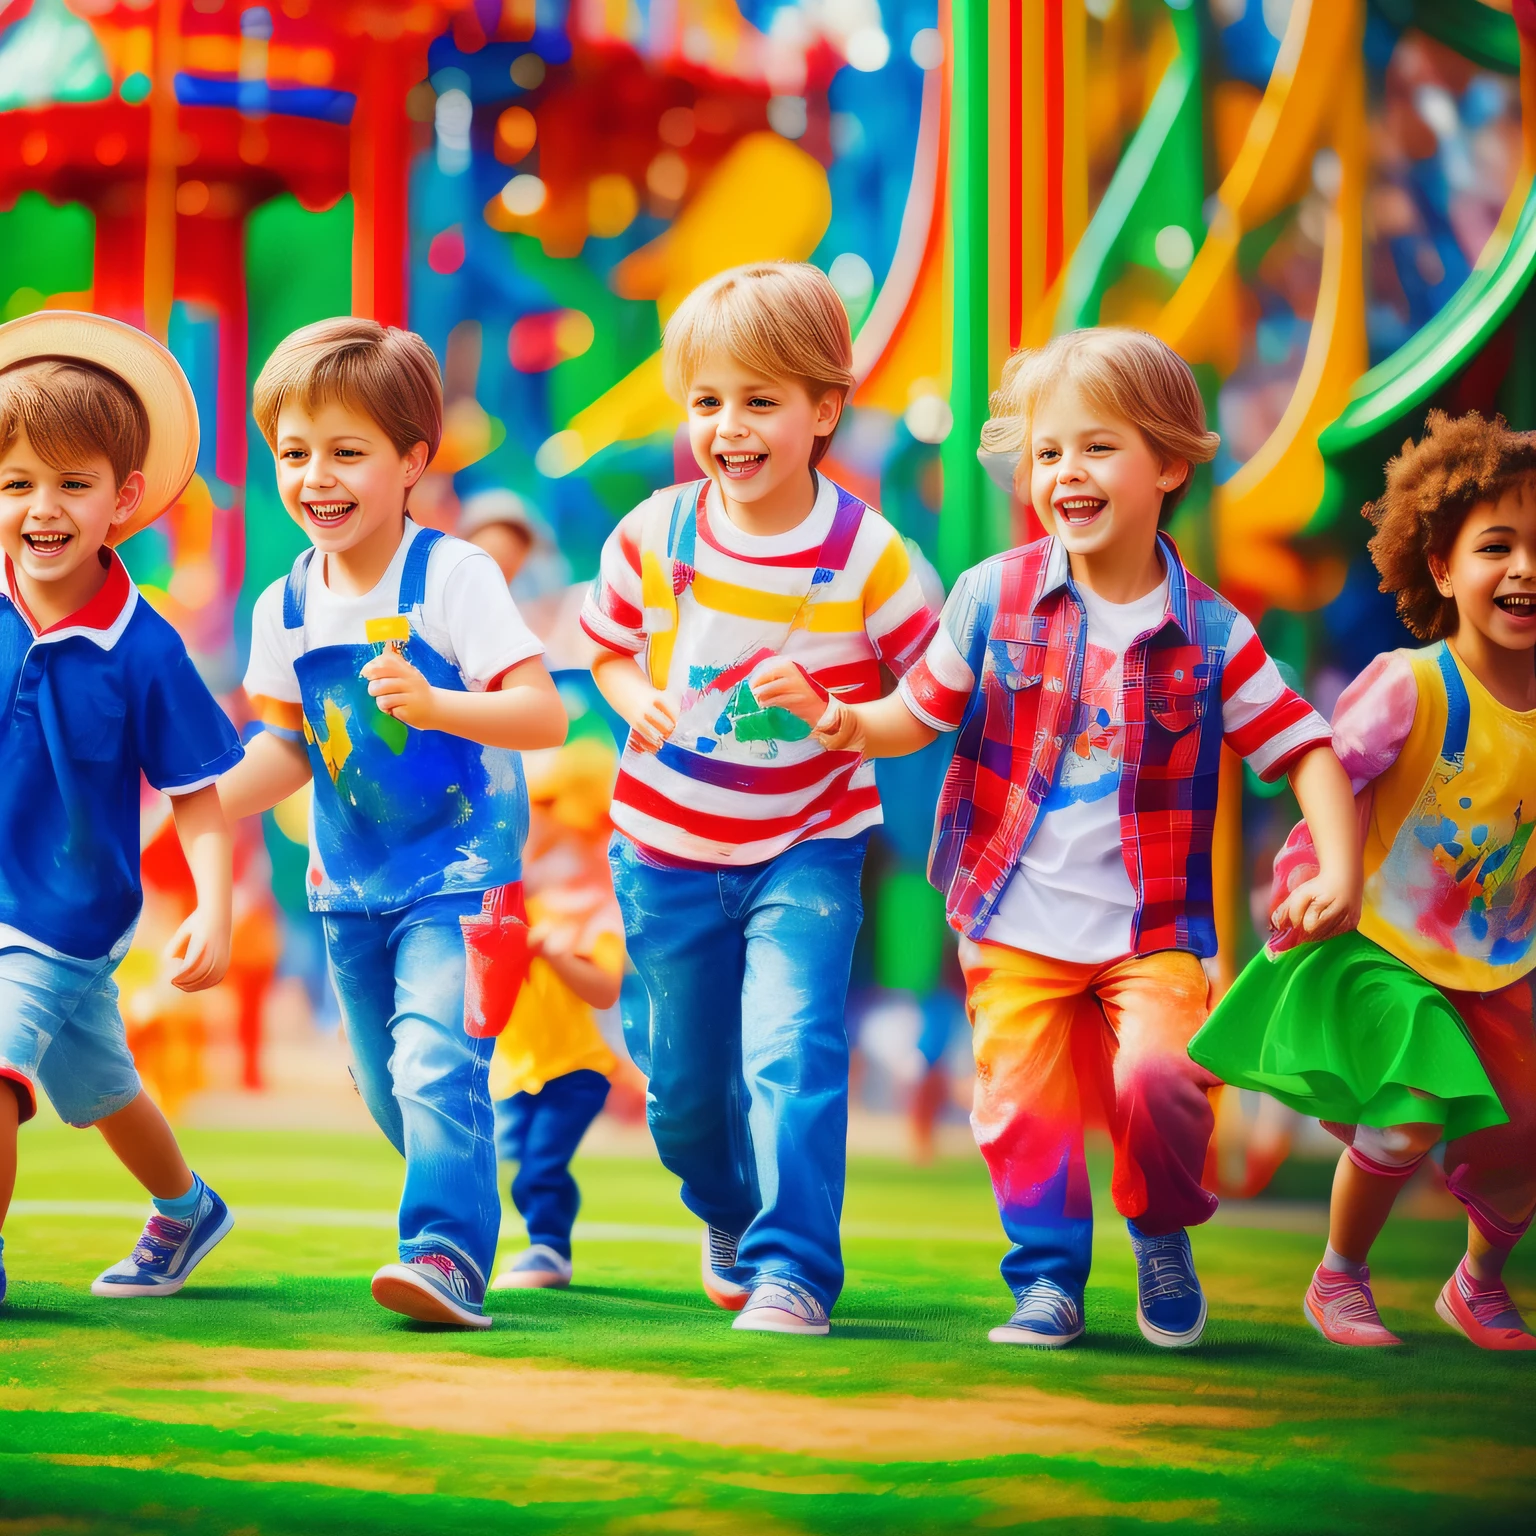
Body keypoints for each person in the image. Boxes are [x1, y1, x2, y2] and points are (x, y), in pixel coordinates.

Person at [756, 327, 1358, 1349]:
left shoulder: (1213, 634)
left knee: (1162, 1080)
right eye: (1046, 453)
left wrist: (1337, 865)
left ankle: (1161, 1230)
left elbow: (1304, 747)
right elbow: (922, 709)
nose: (1064, 473)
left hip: (1153, 933)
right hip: (1013, 918)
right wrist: (851, 723)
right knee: (1020, 1110)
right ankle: (1047, 1279)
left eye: (1097, 448)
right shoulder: (992, 595)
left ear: (1168, 464)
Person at [581, 262, 938, 1335]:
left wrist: (843, 720)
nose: (728, 428)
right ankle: (728, 1207)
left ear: (825, 409)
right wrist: (635, 698)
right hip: (666, 849)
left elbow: (926, 699)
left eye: (760, 401)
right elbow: (604, 652)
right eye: (707, 402)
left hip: (809, 846)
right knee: (682, 1097)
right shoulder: (655, 533)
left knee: (792, 1047)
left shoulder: (869, 556)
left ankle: (794, 1269)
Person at [219, 318, 567, 1329]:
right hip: (348, 885)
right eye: (293, 453)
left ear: (414, 459)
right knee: (393, 1093)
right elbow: (286, 749)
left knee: (428, 1062)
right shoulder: (284, 603)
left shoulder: (453, 577)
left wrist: (441, 704)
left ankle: (448, 1256)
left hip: (459, 874)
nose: (316, 476)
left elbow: (540, 712)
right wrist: (192, 802)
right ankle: (459, 1168)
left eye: (347, 451)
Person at [1191, 410, 1536, 1351]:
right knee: (1410, 1111)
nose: (1524, 569)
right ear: (1440, 568)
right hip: (1384, 945)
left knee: (1520, 1137)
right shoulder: (1411, 686)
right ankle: (1339, 1275)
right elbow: (1327, 781)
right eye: (1496, 546)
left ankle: (1478, 1282)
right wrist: (1315, 880)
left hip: (1500, 963)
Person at [0, 312, 244, 1306]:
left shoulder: (147, 649)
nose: (41, 507)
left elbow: (197, 795)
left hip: (63, 919)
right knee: (99, 1086)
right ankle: (188, 1208)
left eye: (72, 483)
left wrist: (215, 909)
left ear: (124, 499)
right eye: (17, 482)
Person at [488, 737, 625, 1291]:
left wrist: (555, 953)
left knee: (541, 1167)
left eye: (549, 808)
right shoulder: (519, 896)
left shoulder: (595, 908)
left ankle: (549, 1249)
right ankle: (537, 1243)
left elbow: (604, 988)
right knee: (514, 1161)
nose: (540, 826)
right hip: (518, 1065)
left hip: (575, 1066)